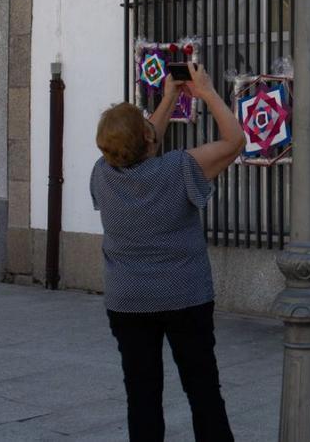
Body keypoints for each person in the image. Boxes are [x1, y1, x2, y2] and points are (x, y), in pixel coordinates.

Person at [91, 62, 245, 442]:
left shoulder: (102, 173)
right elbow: (235, 141)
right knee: (203, 391)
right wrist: (207, 92)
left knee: (142, 396)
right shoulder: (179, 169)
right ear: (147, 137)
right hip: (185, 299)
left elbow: (140, 147)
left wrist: (169, 97)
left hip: (128, 302)